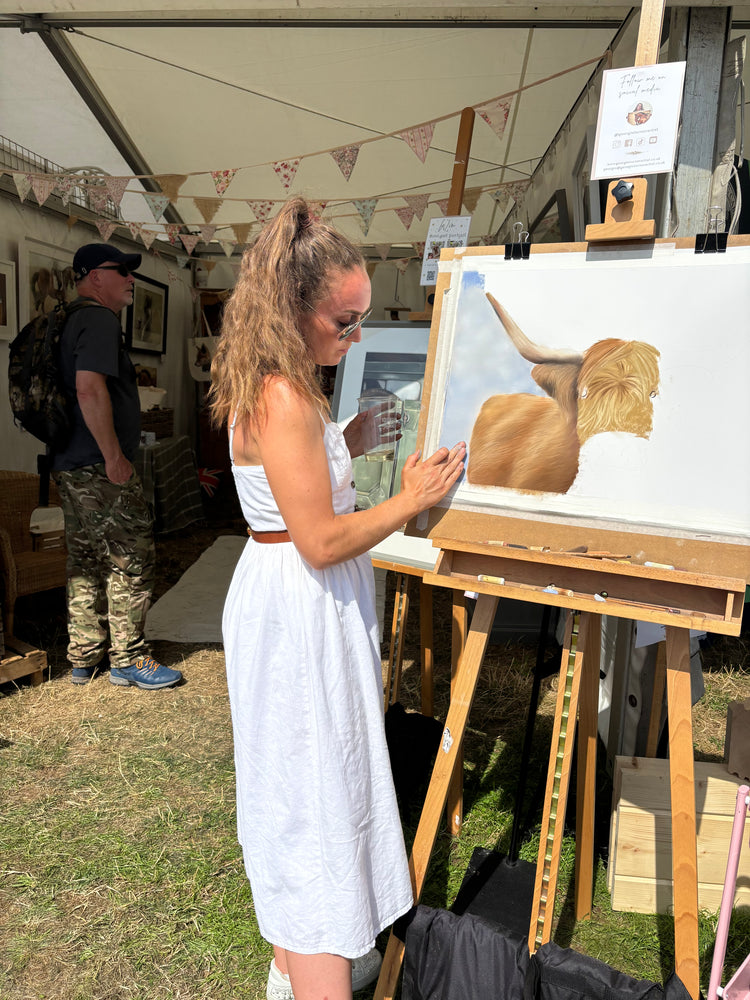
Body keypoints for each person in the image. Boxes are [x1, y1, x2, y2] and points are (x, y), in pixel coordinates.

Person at [209, 198, 465, 1000]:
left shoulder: (280, 385)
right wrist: (411, 498)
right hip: (300, 610)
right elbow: (319, 539)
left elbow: (287, 481)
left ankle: (293, 965)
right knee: (314, 792)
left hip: (292, 602)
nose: (354, 336)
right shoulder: (284, 396)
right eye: (344, 321)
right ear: (291, 309)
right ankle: (315, 966)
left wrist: (343, 440)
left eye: (361, 320)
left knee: (300, 784)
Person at [52, 243, 182, 691]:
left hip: (69, 462)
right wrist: (113, 456)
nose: (130, 278)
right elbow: (89, 389)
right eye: (121, 270)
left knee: (85, 559)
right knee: (131, 557)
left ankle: (84, 657)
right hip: (96, 465)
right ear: (94, 276)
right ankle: (129, 658)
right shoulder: (99, 320)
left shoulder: (68, 318)